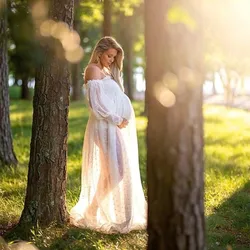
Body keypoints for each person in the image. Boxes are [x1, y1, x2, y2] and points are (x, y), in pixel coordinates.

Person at [70, 36, 147, 234]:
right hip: (104, 126)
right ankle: (92, 209)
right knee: (117, 171)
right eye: (109, 55)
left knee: (111, 170)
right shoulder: (92, 70)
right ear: (99, 52)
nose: (112, 60)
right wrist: (116, 118)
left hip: (112, 126)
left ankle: (93, 210)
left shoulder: (105, 71)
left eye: (114, 57)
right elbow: (96, 105)